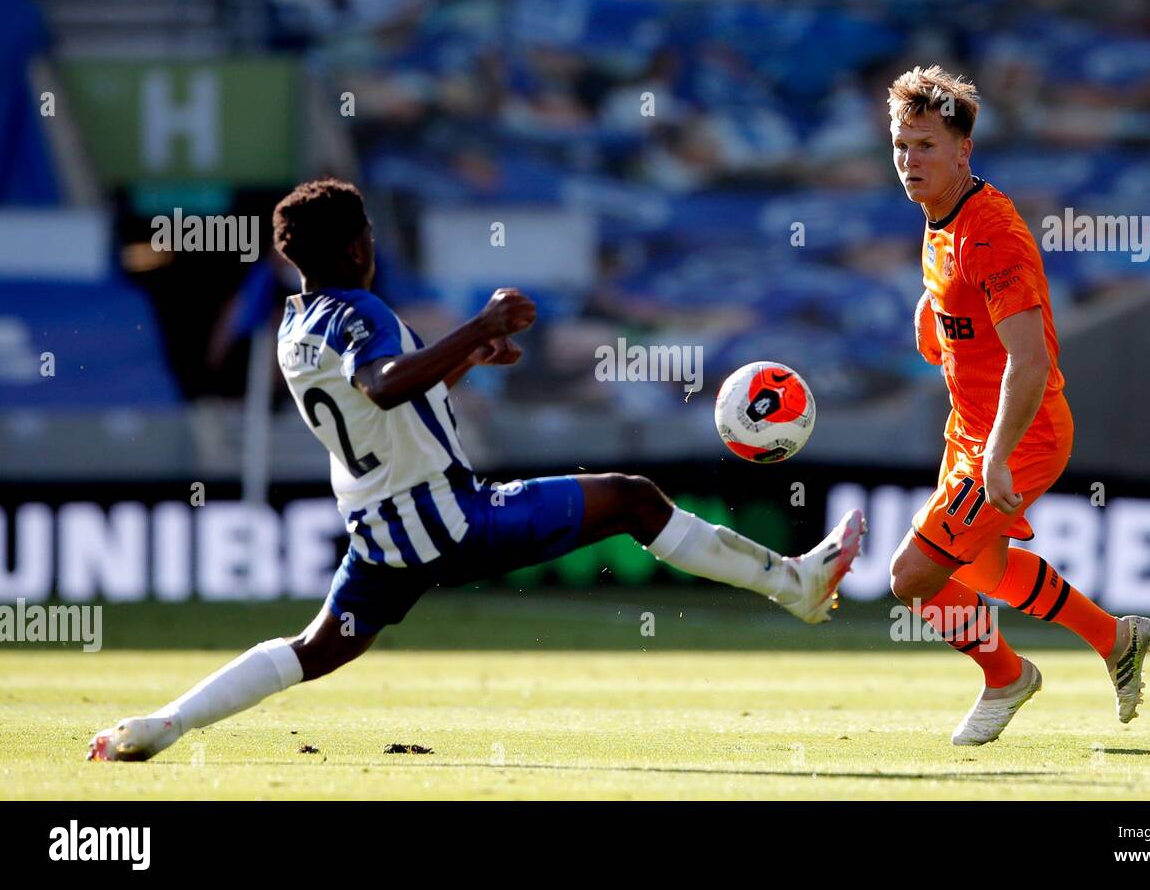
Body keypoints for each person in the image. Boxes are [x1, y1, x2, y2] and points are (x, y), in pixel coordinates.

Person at [88, 178, 864, 762]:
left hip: (380, 532)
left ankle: (163, 724)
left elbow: (388, 406)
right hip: (447, 514)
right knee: (631, 498)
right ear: (358, 244)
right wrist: (479, 325)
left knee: (312, 647)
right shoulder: (359, 311)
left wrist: (466, 357)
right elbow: (386, 384)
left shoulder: (300, 324)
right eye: (367, 232)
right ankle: (791, 584)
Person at [886, 66, 1150, 746]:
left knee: (912, 576)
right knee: (977, 568)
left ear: (961, 152)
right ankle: (1112, 636)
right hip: (972, 429)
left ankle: (1006, 675)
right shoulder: (939, 217)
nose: (909, 161)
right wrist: (934, 317)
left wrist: (999, 457)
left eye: (924, 145)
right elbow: (956, 301)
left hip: (1021, 433)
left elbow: (1029, 360)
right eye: (900, 145)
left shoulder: (992, 235)